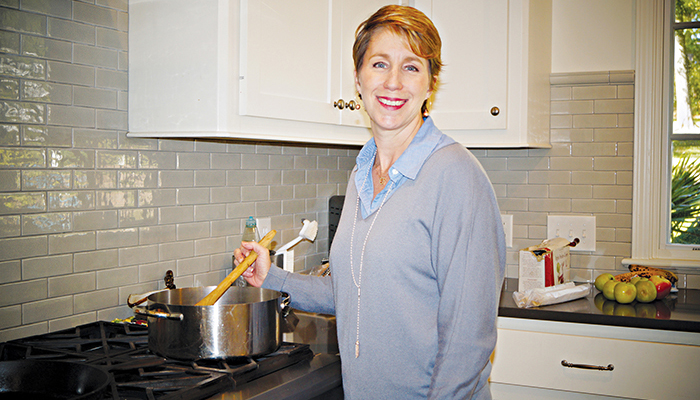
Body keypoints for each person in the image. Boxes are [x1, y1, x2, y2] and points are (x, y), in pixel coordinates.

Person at [234, 5, 505, 399]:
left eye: (411, 67)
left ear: (430, 83)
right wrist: (271, 278)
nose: (393, 82)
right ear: (358, 79)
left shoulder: (456, 176)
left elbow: (469, 337)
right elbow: (354, 290)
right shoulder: (362, 173)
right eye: (379, 64)